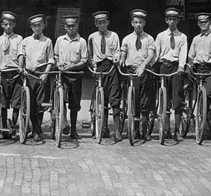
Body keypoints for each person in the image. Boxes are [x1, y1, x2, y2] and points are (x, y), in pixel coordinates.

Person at [118, 9, 156, 143]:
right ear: (132, 23)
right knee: (133, 98)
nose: (138, 25)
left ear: (144, 23)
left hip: (144, 71)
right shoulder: (127, 39)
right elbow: (123, 51)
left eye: (140, 22)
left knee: (145, 100)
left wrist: (143, 66)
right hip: (131, 71)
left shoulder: (149, 38)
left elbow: (151, 55)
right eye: (135, 22)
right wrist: (121, 59)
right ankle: (134, 128)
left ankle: (144, 129)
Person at [151, 8, 188, 141]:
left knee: (177, 98)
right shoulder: (160, 36)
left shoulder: (182, 37)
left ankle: (177, 129)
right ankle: (165, 129)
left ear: (178, 21)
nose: (172, 22)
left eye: (175, 19)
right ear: (166, 20)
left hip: (176, 67)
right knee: (164, 98)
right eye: (170, 19)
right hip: (163, 67)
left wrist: (181, 66)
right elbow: (156, 53)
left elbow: (183, 53)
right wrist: (150, 64)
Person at [18, 13, 55, 142]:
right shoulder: (26, 41)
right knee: (30, 103)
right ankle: (35, 129)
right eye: (34, 26)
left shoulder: (48, 41)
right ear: (31, 27)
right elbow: (21, 55)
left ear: (43, 25)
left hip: (42, 74)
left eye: (39, 25)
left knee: (40, 104)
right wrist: (21, 67)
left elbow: (51, 59)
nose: (37, 28)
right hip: (29, 74)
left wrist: (46, 73)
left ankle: (37, 131)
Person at [187, 12, 211, 138]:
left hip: (210, 69)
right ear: (198, 24)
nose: (203, 24)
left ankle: (207, 128)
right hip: (198, 69)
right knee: (200, 96)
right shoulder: (196, 39)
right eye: (201, 22)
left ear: (209, 23)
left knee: (207, 95)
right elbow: (191, 55)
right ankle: (202, 126)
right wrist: (190, 65)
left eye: (206, 22)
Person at [86, 11, 121, 139]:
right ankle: (103, 128)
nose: (102, 25)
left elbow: (117, 51)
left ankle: (117, 130)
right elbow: (89, 54)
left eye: (104, 22)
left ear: (108, 22)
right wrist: (93, 66)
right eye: (99, 22)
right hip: (99, 68)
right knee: (102, 99)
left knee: (114, 98)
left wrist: (116, 58)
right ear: (96, 24)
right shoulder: (92, 37)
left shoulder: (114, 35)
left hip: (111, 67)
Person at [54, 15, 88, 140]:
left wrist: (72, 67)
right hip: (62, 75)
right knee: (61, 100)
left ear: (77, 26)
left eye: (73, 25)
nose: (71, 28)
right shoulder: (60, 40)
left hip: (76, 75)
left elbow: (84, 60)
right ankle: (64, 124)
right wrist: (58, 64)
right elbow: (55, 55)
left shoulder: (82, 41)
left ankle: (73, 130)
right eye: (68, 26)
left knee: (74, 104)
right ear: (65, 27)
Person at [0, 11, 24, 140]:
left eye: (10, 24)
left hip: (15, 73)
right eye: (5, 24)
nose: (8, 27)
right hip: (2, 74)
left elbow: (21, 54)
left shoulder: (19, 38)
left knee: (16, 103)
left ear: (14, 25)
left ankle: (14, 127)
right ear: (2, 25)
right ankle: (4, 127)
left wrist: (20, 66)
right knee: (3, 103)